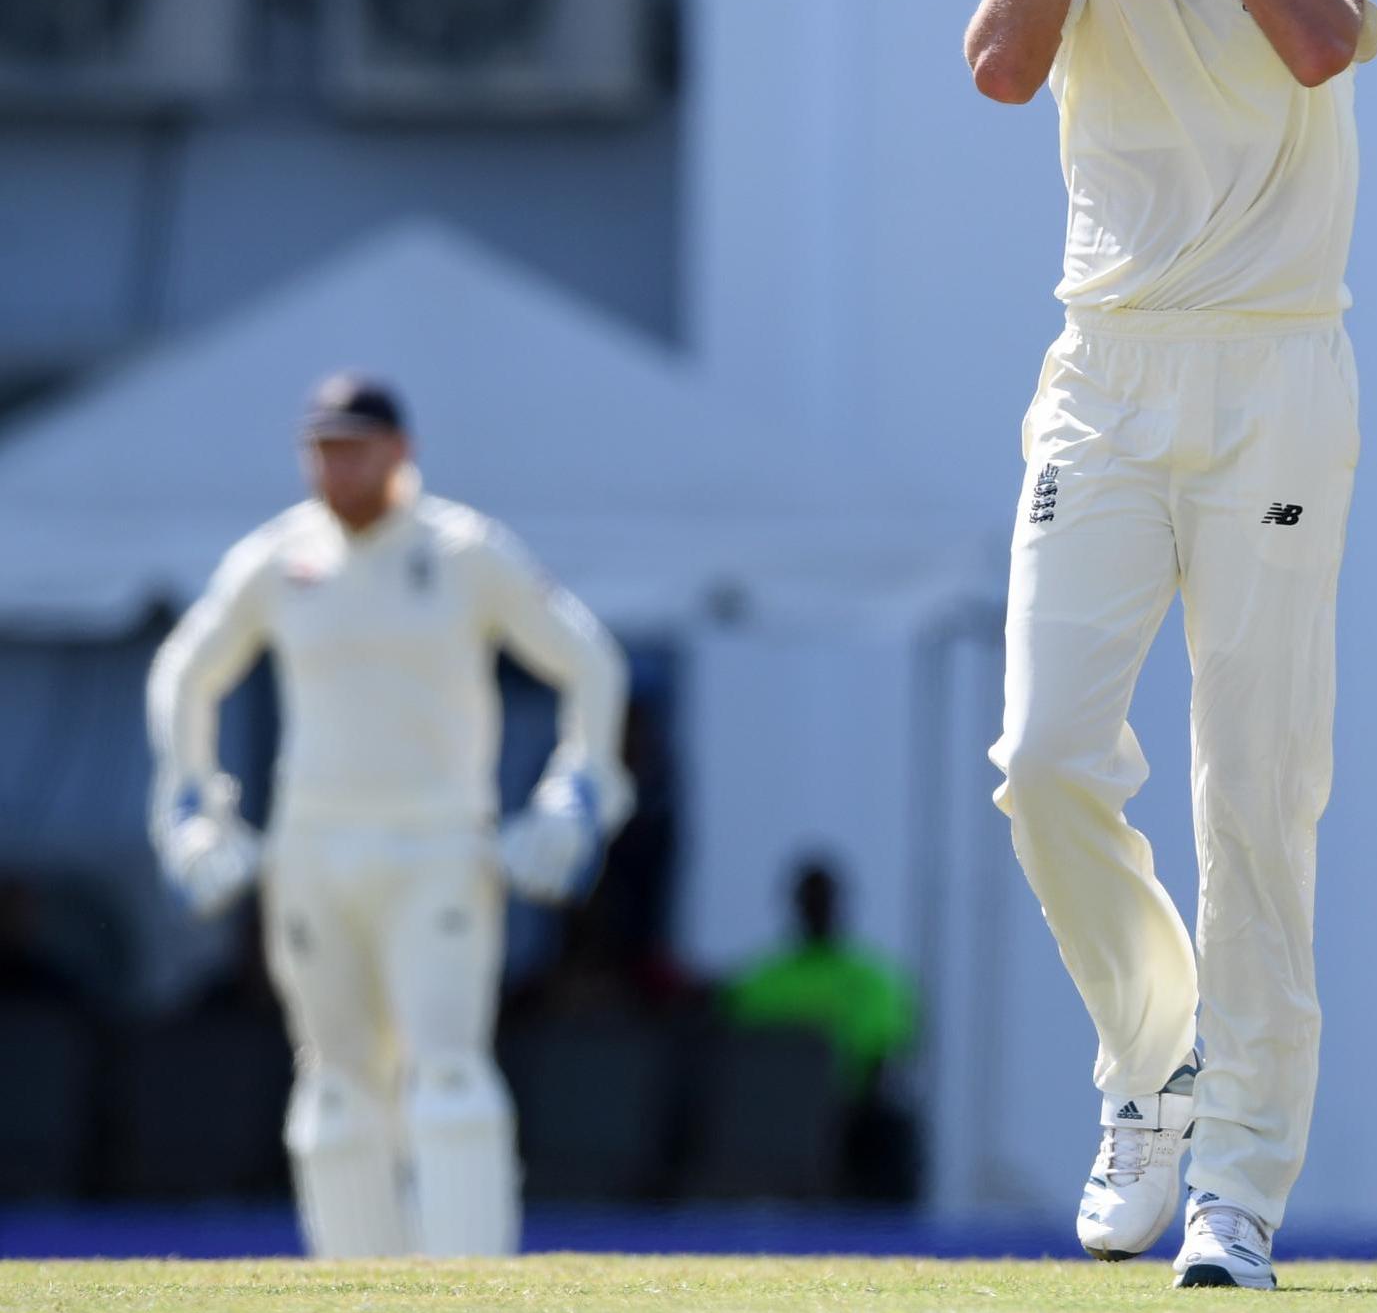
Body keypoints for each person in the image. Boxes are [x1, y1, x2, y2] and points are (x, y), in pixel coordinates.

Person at [963, 0, 1377, 1290]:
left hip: (1274, 374)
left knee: (1252, 789)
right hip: (1106, 375)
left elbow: (1314, 45)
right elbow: (1002, 67)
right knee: (1045, 755)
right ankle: (1154, 1065)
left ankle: (1239, 1186)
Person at [146, 373, 629, 1259]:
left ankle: (470, 1302)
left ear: (398, 451)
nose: (335, 467)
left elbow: (588, 661)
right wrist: (188, 804)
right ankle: (354, 1301)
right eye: (320, 448)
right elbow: (186, 672)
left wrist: (578, 791)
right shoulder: (280, 557)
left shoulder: (462, 551)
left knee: (445, 1072)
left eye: (352, 447)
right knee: (335, 1085)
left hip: (438, 841)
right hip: (313, 846)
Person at [723, 857, 920, 1201]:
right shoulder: (762, 979)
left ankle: (885, 1233)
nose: (817, 909)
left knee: (892, 1130)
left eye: (824, 899)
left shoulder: (871, 978)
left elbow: (880, 1056)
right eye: (809, 900)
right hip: (771, 1115)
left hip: (848, 1113)